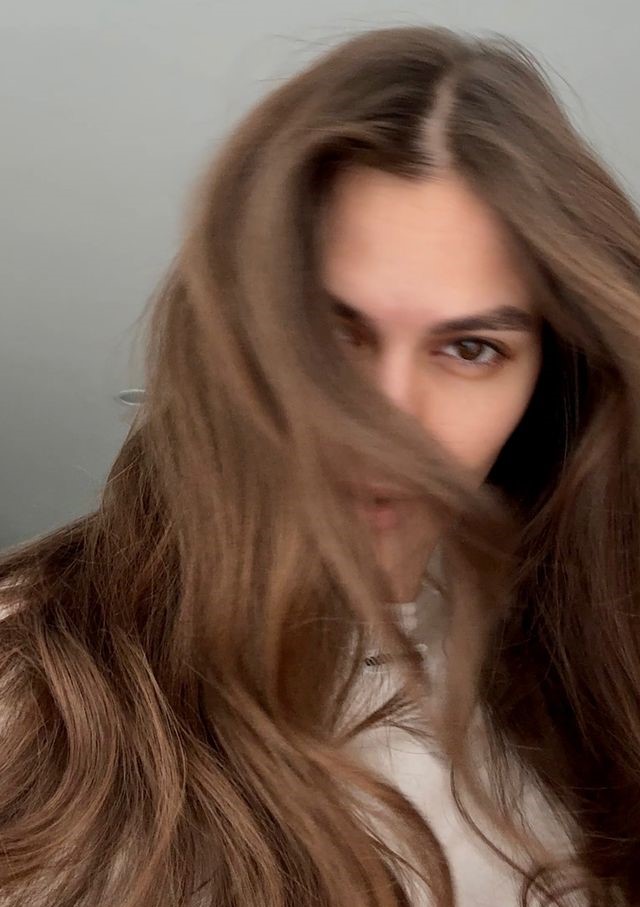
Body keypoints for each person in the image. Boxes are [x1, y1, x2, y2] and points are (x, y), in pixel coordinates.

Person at [0, 23, 639, 907]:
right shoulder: (26, 686)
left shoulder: (601, 672)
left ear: (551, 378)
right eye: (331, 333)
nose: (383, 420)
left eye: (470, 349)